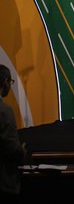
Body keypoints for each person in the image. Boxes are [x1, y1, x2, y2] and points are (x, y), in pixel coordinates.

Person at [1, 64, 27, 203]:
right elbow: (11, 149)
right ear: (5, 82)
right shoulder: (5, 111)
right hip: (4, 183)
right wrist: (22, 151)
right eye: (11, 82)